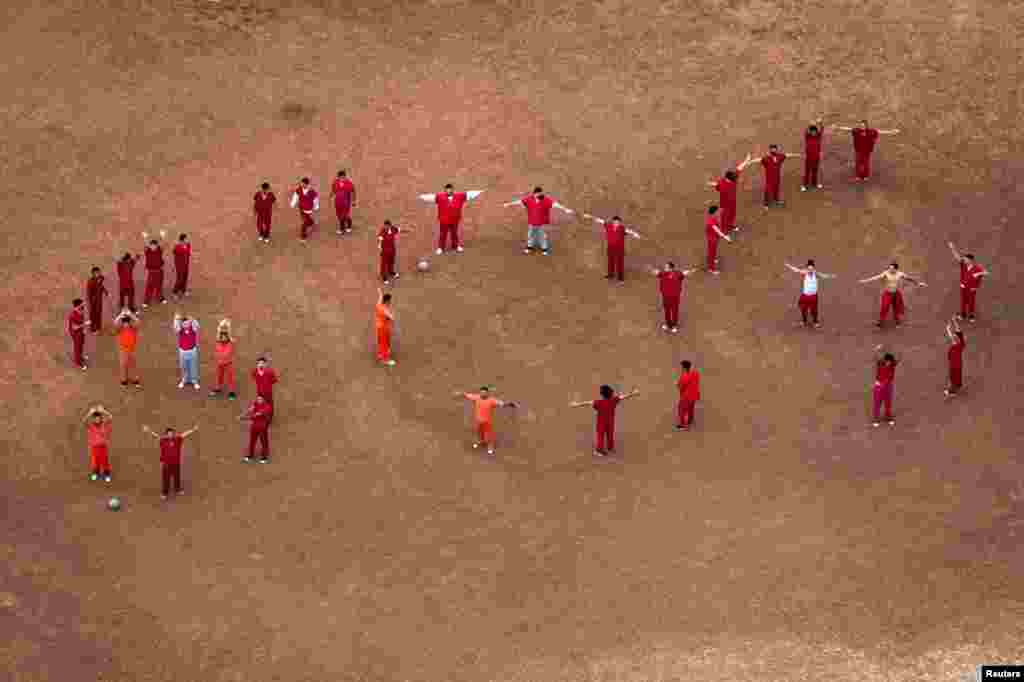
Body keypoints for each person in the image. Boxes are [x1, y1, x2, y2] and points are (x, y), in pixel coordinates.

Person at [570, 385, 640, 456]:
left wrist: (576, 404)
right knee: (610, 434)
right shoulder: (614, 400)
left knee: (600, 436)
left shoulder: (598, 402)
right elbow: (623, 397)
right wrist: (633, 393)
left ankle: (599, 451)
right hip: (610, 422)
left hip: (601, 423)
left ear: (602, 394)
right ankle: (610, 448)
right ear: (611, 394)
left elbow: (587, 403)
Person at [503, 187, 574, 255]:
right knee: (531, 234)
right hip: (532, 222)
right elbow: (519, 202)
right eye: (538, 194)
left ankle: (544, 248)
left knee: (542, 235)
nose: (540, 195)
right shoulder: (529, 199)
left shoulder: (546, 200)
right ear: (534, 194)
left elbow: (556, 204)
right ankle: (529, 247)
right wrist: (509, 204)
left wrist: (565, 209)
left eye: (540, 193)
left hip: (541, 223)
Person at [418, 184, 484, 254]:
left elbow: (469, 194)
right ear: (445, 190)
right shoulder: (439, 197)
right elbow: (430, 197)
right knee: (443, 234)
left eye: (450, 189)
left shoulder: (460, 196)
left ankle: (456, 246)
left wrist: (480, 191)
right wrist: (421, 197)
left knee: (454, 233)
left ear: (453, 190)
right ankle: (440, 247)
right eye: (447, 189)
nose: (449, 191)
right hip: (444, 220)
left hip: (455, 220)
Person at [454, 386, 518, 456]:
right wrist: (460, 393)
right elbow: (466, 395)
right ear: (480, 393)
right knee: (479, 433)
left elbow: (501, 404)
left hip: (487, 422)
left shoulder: (492, 400)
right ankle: (480, 442)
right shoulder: (476, 397)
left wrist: (509, 404)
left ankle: (490, 447)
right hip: (478, 421)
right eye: (481, 392)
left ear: (487, 393)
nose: (483, 394)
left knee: (489, 435)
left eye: (484, 393)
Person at [858, 263, 927, 327]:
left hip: (896, 293)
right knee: (884, 307)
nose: (890, 269)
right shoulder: (886, 273)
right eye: (889, 268)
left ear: (896, 269)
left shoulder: (900, 274)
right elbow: (876, 277)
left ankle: (897, 320)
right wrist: (865, 280)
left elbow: (909, 279)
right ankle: (881, 321)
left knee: (896, 307)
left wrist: (918, 283)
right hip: (887, 294)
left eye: (892, 268)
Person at [143, 424, 198, 499]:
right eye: (169, 434)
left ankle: (177, 489)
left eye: (172, 433)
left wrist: (193, 430)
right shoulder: (163, 441)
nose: (170, 435)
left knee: (177, 477)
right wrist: (148, 430)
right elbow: (155, 436)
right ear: (166, 434)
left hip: (176, 463)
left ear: (173, 434)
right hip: (166, 464)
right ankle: (164, 493)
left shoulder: (177, 440)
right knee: (166, 479)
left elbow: (184, 435)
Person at [832, 120, 900, 181]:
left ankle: (865, 176)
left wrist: (891, 132)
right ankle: (858, 176)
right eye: (861, 125)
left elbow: (880, 132)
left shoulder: (871, 132)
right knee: (858, 163)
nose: (862, 127)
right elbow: (848, 129)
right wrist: (838, 128)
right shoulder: (857, 131)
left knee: (866, 163)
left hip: (867, 152)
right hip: (858, 151)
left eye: (863, 126)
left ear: (866, 126)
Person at [581, 213, 642, 282]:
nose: (616, 223)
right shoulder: (608, 225)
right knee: (610, 261)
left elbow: (630, 232)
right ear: (613, 222)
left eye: (618, 222)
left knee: (619, 262)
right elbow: (599, 220)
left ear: (620, 223)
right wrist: (590, 217)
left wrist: (636, 234)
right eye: (615, 222)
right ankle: (611, 275)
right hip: (610, 247)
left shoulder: (622, 228)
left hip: (619, 248)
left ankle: (620, 277)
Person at [706, 152, 757, 233]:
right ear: (728, 178)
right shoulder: (722, 184)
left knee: (732, 214)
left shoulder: (732, 178)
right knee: (724, 216)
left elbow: (739, 168)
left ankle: (731, 225)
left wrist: (746, 160)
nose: (735, 178)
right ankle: (723, 229)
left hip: (732, 201)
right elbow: (717, 185)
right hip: (724, 204)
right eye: (733, 177)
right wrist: (711, 184)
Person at [784, 260, 836, 327]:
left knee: (814, 310)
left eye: (811, 268)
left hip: (813, 296)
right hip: (805, 295)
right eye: (809, 268)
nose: (810, 270)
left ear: (813, 268)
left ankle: (815, 322)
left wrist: (831, 276)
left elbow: (824, 276)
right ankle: (804, 321)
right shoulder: (805, 273)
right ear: (807, 268)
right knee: (803, 308)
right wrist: (788, 266)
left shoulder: (816, 274)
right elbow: (796, 270)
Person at [649, 262, 697, 333]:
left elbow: (686, 273)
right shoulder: (663, 274)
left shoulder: (678, 274)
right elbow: (656, 272)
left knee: (674, 311)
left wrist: (692, 271)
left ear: (671, 268)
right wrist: (651, 269)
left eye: (666, 267)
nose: (665, 268)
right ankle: (668, 324)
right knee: (667, 311)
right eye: (665, 267)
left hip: (675, 297)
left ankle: (674, 326)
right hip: (665, 296)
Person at [948, 241, 989, 322]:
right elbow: (957, 258)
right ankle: (963, 314)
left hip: (972, 288)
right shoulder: (963, 265)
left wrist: (978, 274)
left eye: (966, 259)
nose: (964, 260)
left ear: (971, 260)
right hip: (963, 286)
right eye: (964, 259)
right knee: (963, 301)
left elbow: (986, 272)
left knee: (971, 302)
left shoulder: (977, 268)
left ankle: (971, 316)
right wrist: (952, 248)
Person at [82, 405, 113, 482]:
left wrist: (103, 411)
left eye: (99, 419)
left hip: (103, 446)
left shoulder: (104, 425)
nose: (97, 420)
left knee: (105, 461)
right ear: (93, 420)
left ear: (101, 419)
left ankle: (107, 474)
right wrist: (89, 413)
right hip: (94, 447)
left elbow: (110, 417)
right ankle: (96, 473)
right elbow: (84, 421)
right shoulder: (91, 426)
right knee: (95, 461)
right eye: (95, 419)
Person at [239, 394, 272, 463]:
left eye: (260, 399)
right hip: (254, 426)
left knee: (263, 441)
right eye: (258, 399)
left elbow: (256, 414)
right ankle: (250, 455)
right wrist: (242, 415)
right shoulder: (256, 403)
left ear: (264, 400)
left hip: (262, 427)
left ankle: (264, 457)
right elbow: (250, 409)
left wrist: (243, 418)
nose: (259, 400)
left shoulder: (267, 407)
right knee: (252, 441)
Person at [378, 220, 413, 284]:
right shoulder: (382, 231)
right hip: (385, 250)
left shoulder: (393, 228)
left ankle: (391, 272)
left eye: (387, 226)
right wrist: (380, 247)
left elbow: (400, 230)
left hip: (392, 249)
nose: (386, 227)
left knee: (391, 261)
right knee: (384, 264)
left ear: (390, 225)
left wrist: (408, 230)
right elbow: (380, 240)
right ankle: (384, 277)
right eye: (385, 226)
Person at [871, 344, 899, 426]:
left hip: (888, 388)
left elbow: (899, 357)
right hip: (879, 388)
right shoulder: (880, 364)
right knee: (877, 404)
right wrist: (877, 349)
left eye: (890, 362)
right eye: (887, 361)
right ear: (884, 360)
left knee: (888, 403)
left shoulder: (893, 365)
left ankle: (888, 417)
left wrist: (891, 349)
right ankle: (876, 419)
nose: (888, 363)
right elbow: (875, 357)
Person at [114, 308, 141, 387]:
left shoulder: (133, 328)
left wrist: (131, 315)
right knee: (123, 365)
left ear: (129, 323)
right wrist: (120, 315)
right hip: (123, 350)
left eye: (127, 322)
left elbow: (138, 322)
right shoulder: (120, 329)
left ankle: (135, 379)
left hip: (132, 349)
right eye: (124, 322)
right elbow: (115, 323)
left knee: (133, 365)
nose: (126, 324)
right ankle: (124, 380)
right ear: (122, 323)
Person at [172, 313, 200, 389]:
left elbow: (197, 325)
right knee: (183, 367)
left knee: (193, 366)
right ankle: (184, 379)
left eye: (187, 323)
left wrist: (192, 319)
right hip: (183, 352)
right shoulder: (180, 329)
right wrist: (176, 319)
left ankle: (194, 381)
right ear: (182, 324)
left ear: (190, 323)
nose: (186, 325)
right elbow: (176, 328)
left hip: (192, 351)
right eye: (184, 323)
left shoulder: (193, 328)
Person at [210, 320, 237, 399]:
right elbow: (218, 333)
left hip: (228, 363)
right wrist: (220, 325)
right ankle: (218, 388)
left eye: (225, 337)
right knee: (219, 376)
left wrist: (227, 326)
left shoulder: (230, 343)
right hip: (219, 363)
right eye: (222, 337)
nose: (223, 338)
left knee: (230, 378)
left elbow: (229, 334)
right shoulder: (218, 342)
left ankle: (232, 392)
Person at [141, 230, 167, 308]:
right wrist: (145, 238)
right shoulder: (147, 251)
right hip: (151, 272)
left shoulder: (159, 250)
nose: (153, 247)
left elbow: (163, 245)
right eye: (151, 246)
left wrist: (163, 237)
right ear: (150, 246)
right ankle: (146, 301)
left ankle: (160, 298)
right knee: (150, 286)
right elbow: (146, 246)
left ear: (156, 245)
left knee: (159, 285)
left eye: (154, 246)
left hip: (159, 271)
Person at [705, 205, 733, 274]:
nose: (718, 212)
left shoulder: (713, 217)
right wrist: (726, 237)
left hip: (714, 238)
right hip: (712, 239)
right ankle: (711, 269)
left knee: (713, 251)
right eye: (717, 211)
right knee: (711, 252)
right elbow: (718, 231)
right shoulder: (711, 221)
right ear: (714, 212)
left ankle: (713, 259)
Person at [289, 177, 320, 242]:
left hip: (309, 209)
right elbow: (295, 196)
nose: (301, 185)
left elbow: (315, 199)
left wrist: (316, 206)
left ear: (307, 184)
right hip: (301, 208)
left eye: (303, 184)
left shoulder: (312, 191)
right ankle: (304, 235)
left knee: (306, 220)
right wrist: (293, 204)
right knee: (305, 222)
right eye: (301, 183)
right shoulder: (299, 189)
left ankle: (309, 226)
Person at [801, 117, 826, 191]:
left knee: (815, 171)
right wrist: (810, 125)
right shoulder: (808, 137)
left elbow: (822, 129)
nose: (813, 133)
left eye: (814, 131)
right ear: (810, 132)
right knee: (807, 171)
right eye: (812, 131)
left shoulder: (818, 137)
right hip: (808, 157)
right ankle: (804, 185)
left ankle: (814, 184)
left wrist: (820, 123)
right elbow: (806, 131)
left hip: (816, 157)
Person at [676, 361, 701, 431]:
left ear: (684, 367)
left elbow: (680, 386)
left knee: (681, 409)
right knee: (691, 408)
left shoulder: (684, 376)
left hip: (686, 396)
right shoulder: (695, 373)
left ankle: (682, 425)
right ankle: (690, 420)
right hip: (695, 394)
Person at [945, 316, 966, 397]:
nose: (953, 338)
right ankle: (958, 385)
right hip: (957, 363)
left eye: (955, 338)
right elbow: (957, 331)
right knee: (957, 376)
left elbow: (956, 333)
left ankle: (952, 391)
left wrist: (948, 329)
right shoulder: (960, 344)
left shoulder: (957, 345)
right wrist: (953, 323)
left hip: (955, 364)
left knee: (953, 377)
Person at [331, 170, 357, 235]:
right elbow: (333, 190)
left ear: (345, 177)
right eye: (340, 177)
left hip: (346, 203)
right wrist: (331, 195)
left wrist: (353, 201)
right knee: (339, 215)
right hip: (338, 202)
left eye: (343, 177)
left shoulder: (349, 183)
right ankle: (348, 224)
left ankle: (343, 228)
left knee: (344, 215)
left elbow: (353, 192)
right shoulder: (335, 183)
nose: (342, 179)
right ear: (338, 177)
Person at [375, 288, 396, 366]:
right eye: (389, 301)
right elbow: (391, 317)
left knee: (381, 342)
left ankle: (380, 354)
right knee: (384, 343)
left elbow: (380, 297)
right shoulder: (384, 309)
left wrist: (380, 292)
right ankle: (385, 359)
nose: (390, 302)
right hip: (384, 328)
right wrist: (391, 317)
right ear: (387, 301)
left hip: (379, 327)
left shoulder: (379, 304)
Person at [67, 298, 88, 370]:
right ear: (78, 305)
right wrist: (84, 324)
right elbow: (75, 327)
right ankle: (78, 362)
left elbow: (82, 320)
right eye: (82, 304)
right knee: (77, 347)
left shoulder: (81, 310)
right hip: (76, 333)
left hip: (81, 331)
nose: (83, 304)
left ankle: (81, 356)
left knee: (81, 344)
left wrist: (84, 329)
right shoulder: (72, 315)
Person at [85, 266, 108, 333]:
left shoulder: (100, 279)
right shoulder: (90, 282)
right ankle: (93, 329)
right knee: (93, 315)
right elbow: (89, 293)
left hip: (99, 301)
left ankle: (98, 327)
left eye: (99, 272)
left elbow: (101, 286)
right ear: (93, 274)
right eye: (97, 273)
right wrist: (90, 301)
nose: (98, 274)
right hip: (93, 302)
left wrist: (106, 292)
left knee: (99, 313)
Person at [171, 233, 192, 298]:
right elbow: (174, 251)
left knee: (185, 278)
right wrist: (177, 245)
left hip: (186, 264)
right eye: (186, 239)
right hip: (179, 266)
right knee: (180, 279)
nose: (187, 240)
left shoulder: (188, 245)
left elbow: (188, 253)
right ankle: (174, 292)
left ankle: (183, 290)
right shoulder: (177, 247)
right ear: (182, 240)